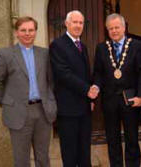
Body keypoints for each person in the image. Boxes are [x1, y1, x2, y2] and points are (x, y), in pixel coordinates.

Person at [0, 16, 57, 167]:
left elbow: (51, 81)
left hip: (42, 112)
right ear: (16, 33)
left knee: (43, 158)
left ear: (35, 32)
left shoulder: (45, 54)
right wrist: (7, 100)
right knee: (21, 160)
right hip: (19, 113)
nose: (27, 33)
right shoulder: (6, 54)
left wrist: (50, 100)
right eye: (23, 30)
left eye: (31, 30)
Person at [93, 13, 141, 167]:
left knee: (132, 138)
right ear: (107, 30)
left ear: (124, 27)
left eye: (117, 27)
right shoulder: (101, 48)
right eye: (111, 28)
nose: (114, 31)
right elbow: (98, 72)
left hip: (130, 100)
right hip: (109, 101)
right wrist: (96, 86)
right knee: (112, 139)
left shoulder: (136, 45)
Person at [49, 10, 98, 167]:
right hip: (68, 108)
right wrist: (87, 90)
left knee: (85, 150)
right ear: (66, 23)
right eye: (75, 22)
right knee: (69, 153)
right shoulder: (57, 45)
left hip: (84, 107)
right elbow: (63, 74)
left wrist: (91, 97)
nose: (78, 25)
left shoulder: (82, 46)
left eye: (81, 23)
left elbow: (86, 74)